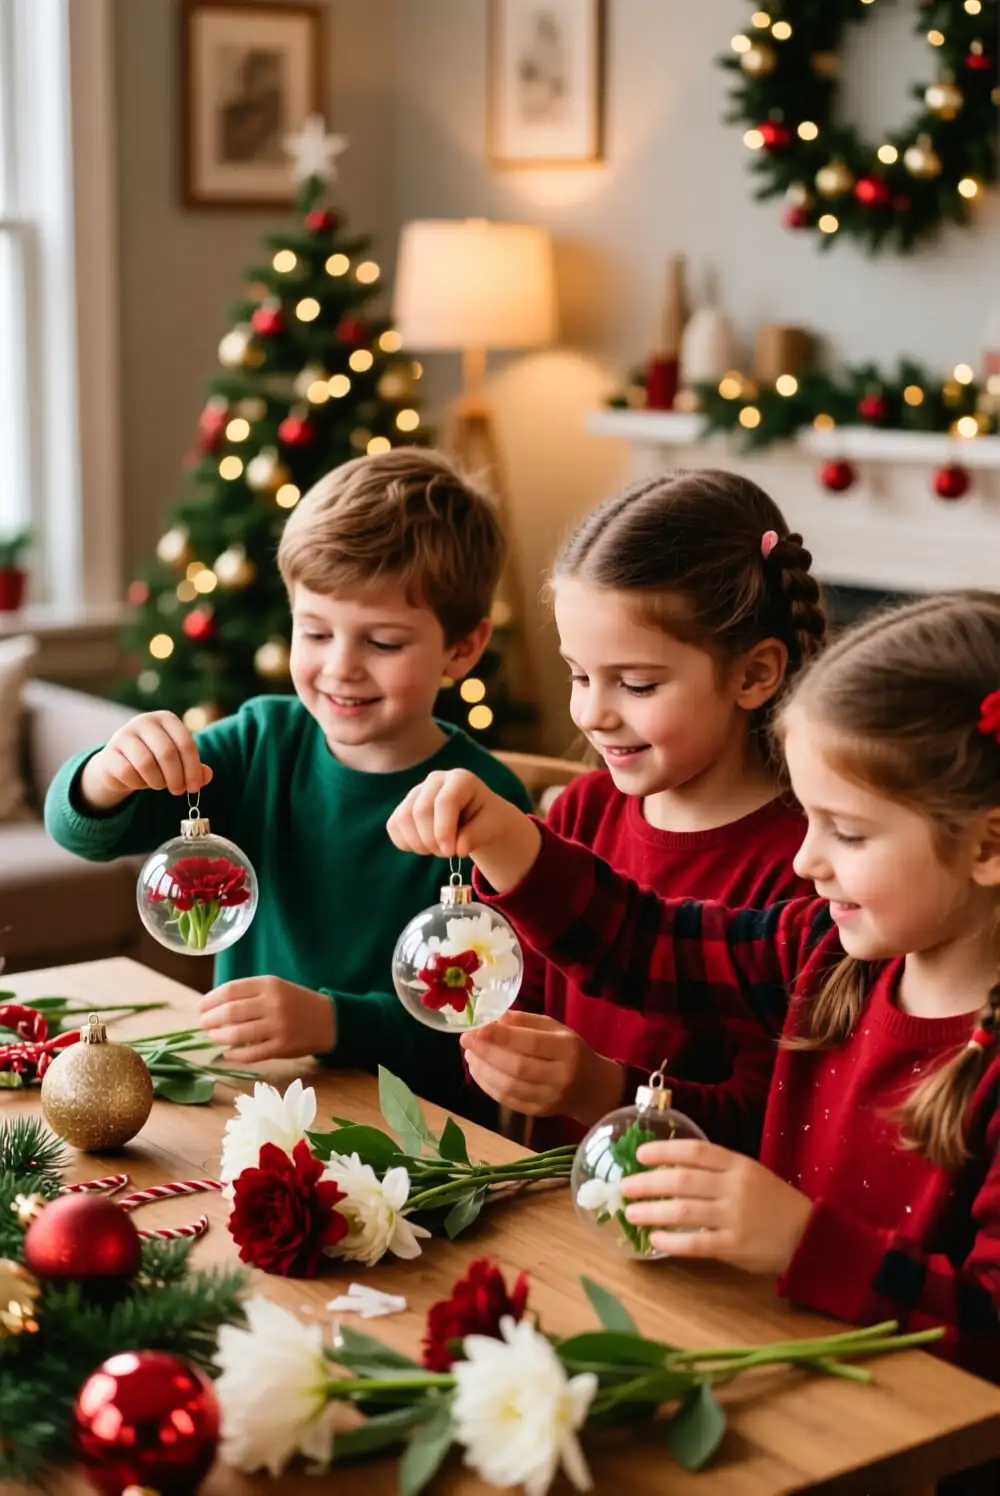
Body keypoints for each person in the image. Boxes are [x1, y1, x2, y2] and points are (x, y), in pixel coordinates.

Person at [387, 592, 1000, 1380]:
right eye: (809, 820)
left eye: (847, 832)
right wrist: (511, 841)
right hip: (761, 1357)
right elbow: (649, 946)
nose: (808, 862)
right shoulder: (826, 953)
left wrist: (798, 1239)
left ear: (987, 845)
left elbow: (988, 1326)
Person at [44, 447, 530, 1121]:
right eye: (315, 631)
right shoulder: (259, 744)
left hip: (411, 1142)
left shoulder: (488, 807)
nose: (341, 668)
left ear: (463, 648)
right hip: (254, 1113)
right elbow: (86, 833)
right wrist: (107, 774)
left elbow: (479, 1038)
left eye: (383, 643)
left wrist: (333, 1023)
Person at [427, 471, 826, 1153]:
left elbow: (775, 1129)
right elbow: (520, 1000)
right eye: (579, 674)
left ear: (754, 674)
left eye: (636, 684)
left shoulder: (810, 868)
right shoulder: (583, 811)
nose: (591, 713)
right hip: (548, 1203)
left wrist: (600, 1090)